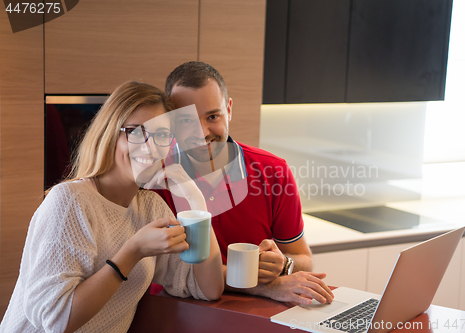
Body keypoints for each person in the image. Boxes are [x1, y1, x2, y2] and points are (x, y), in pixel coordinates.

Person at [0, 81, 224, 333]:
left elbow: (207, 288)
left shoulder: (150, 208)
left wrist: (196, 200)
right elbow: (57, 319)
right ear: (109, 135)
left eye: (161, 135)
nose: (150, 146)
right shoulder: (70, 201)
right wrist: (133, 251)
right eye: (135, 131)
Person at [152, 61, 334, 305]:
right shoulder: (152, 180)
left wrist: (283, 264)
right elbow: (162, 270)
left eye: (213, 116)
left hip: (253, 316)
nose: (202, 132)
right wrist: (260, 285)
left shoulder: (274, 171)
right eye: (186, 121)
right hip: (171, 314)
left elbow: (303, 257)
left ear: (229, 110)